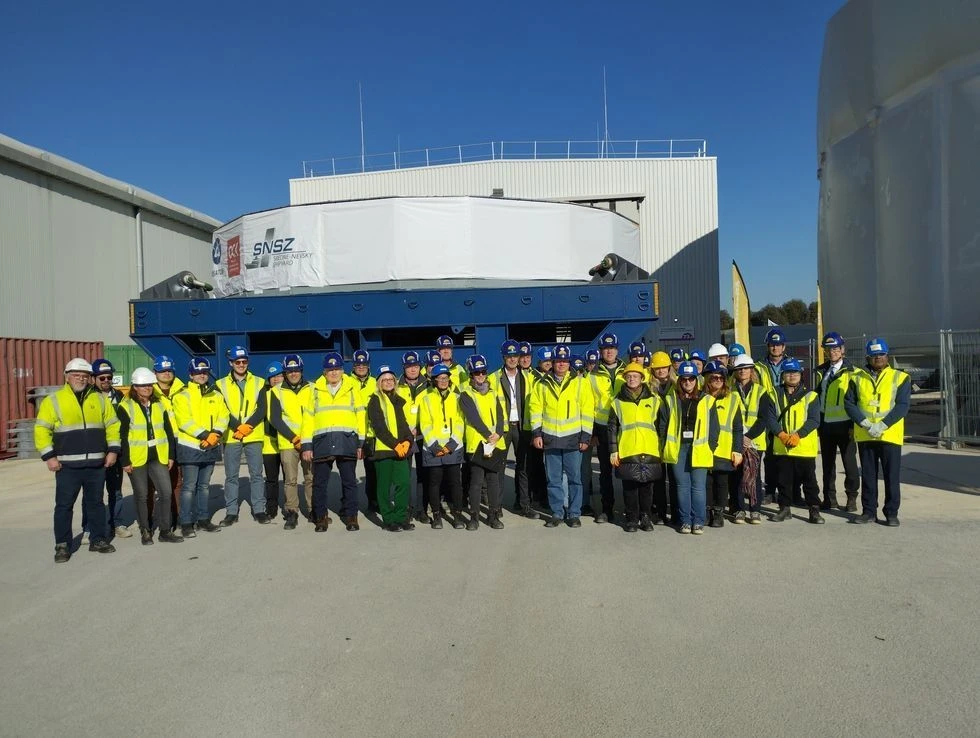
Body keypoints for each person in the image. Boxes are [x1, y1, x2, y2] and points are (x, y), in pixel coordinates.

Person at [35, 358, 122, 562]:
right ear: (67, 377)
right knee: (64, 506)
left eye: (84, 376)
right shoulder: (53, 401)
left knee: (96, 504)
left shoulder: (99, 399)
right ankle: (62, 545)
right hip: (66, 466)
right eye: (76, 375)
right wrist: (49, 457)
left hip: (96, 464)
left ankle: (98, 539)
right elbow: (41, 429)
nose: (81, 379)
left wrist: (113, 451)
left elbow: (112, 425)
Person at [844, 337, 910, 526]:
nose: (878, 358)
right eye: (874, 355)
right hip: (866, 435)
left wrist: (882, 426)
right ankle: (869, 512)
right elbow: (849, 403)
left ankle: (891, 513)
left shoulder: (900, 377)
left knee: (891, 476)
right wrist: (865, 424)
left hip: (889, 435)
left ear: (887, 356)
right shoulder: (856, 378)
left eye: (881, 354)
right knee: (868, 476)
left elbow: (902, 406)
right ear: (867, 357)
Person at [530, 344, 595, 528]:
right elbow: (535, 409)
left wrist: (586, 437)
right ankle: (557, 513)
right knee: (553, 480)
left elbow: (587, 410)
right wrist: (536, 434)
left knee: (575, 479)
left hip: (573, 439)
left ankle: (574, 514)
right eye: (558, 361)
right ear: (552, 363)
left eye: (565, 361)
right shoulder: (542, 384)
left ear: (569, 363)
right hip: (550, 438)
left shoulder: (580, 382)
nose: (561, 364)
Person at [302, 352, 366, 532]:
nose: (334, 373)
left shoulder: (352, 388)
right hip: (322, 442)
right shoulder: (315, 390)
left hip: (347, 441)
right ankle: (321, 518)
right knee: (319, 483)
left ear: (342, 370)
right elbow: (308, 418)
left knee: (349, 482)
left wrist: (361, 443)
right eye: (330, 370)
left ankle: (351, 517)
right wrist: (306, 446)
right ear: (324, 372)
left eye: (337, 369)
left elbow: (361, 415)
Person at [117, 368, 182, 545]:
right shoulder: (125, 406)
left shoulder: (159, 404)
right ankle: (145, 530)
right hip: (137, 458)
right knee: (142, 495)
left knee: (166, 492)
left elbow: (168, 431)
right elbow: (122, 436)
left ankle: (165, 530)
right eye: (143, 385)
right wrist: (125, 460)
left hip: (158, 456)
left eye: (149, 385)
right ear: (135, 387)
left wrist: (171, 455)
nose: (147, 388)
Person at [170, 357, 227, 538]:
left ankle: (203, 519)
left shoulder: (216, 395)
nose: (202, 375)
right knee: (189, 487)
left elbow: (224, 416)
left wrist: (216, 433)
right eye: (198, 372)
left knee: (204, 486)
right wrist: (205, 435)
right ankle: (186, 522)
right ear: (190, 375)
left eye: (205, 372)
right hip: (190, 447)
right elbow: (184, 421)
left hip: (211, 445)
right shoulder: (181, 395)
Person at [764, 358, 824, 524]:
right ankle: (784, 509)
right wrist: (781, 435)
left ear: (800, 374)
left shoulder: (811, 395)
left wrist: (798, 435)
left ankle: (814, 510)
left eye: (795, 372)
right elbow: (770, 418)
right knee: (784, 481)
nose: (792, 376)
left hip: (804, 447)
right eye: (788, 373)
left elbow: (814, 420)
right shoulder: (773, 394)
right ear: (783, 375)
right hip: (782, 446)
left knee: (810, 482)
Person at [608, 362, 665, 532]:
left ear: (642, 378)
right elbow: (612, 427)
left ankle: (645, 517)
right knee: (630, 487)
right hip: (628, 449)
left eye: (635, 376)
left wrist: (663, 448)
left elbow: (661, 426)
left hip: (650, 449)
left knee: (647, 487)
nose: (632, 379)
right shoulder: (617, 402)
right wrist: (613, 450)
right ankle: (632, 519)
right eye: (629, 376)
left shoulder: (654, 400)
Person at [216, 345, 269, 526]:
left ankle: (259, 510)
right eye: (237, 362)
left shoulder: (259, 382)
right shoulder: (220, 385)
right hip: (232, 436)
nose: (241, 364)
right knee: (231, 476)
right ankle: (231, 512)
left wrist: (247, 427)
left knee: (257, 475)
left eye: (244, 361)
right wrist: (238, 427)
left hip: (253, 435)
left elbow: (262, 408)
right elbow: (222, 410)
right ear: (231, 363)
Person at [661, 361, 712, 535]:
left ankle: (698, 521)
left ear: (696, 380)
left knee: (698, 487)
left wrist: (710, 446)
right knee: (682, 486)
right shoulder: (670, 399)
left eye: (691, 379)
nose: (688, 382)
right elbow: (663, 424)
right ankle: (685, 521)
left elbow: (714, 428)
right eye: (684, 379)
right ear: (679, 380)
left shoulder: (707, 400)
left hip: (700, 447)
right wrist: (664, 445)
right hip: (679, 447)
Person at [459, 354, 507, 530]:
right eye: (476, 372)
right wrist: (488, 435)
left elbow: (501, 415)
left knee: (493, 480)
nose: (480, 375)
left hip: (494, 442)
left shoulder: (493, 393)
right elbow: (473, 418)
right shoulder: (466, 394)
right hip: (478, 444)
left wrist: (499, 433)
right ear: (470, 375)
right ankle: (474, 517)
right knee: (476, 482)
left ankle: (493, 515)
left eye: (483, 372)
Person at [366, 364, 416, 532]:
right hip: (383, 451)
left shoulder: (398, 400)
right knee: (384, 487)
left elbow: (404, 425)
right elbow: (379, 427)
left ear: (395, 382)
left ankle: (401, 517)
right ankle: (389, 520)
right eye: (384, 380)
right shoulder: (375, 400)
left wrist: (408, 441)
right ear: (379, 383)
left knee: (404, 483)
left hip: (400, 450)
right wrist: (395, 445)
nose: (388, 382)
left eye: (391, 379)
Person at [268, 354, 315, 530]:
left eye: (296, 370)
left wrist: (308, 439)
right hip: (288, 443)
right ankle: (292, 513)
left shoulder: (313, 388)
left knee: (311, 478)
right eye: (290, 371)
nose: (293, 374)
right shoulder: (276, 391)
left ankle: (313, 510)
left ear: (301, 371)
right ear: (285, 373)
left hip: (309, 441)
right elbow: (275, 418)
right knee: (290, 480)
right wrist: (294, 438)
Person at [814, 332, 860, 511]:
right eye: (828, 349)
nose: (832, 352)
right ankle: (829, 498)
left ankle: (851, 498)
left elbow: (857, 401)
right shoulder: (821, 371)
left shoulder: (853, 372)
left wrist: (855, 425)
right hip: (826, 425)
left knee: (849, 464)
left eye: (835, 349)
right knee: (827, 465)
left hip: (845, 425)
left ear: (842, 350)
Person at [492, 340, 538, 519]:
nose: (512, 359)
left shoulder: (528, 377)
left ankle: (524, 504)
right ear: (503, 357)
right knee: (499, 468)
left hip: (522, 427)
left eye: (515, 356)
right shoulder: (494, 378)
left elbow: (535, 404)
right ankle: (496, 507)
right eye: (509, 356)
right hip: (503, 429)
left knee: (524, 467)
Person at [417, 364, 466, 529]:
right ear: (434, 380)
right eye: (440, 378)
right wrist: (434, 445)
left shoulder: (457, 398)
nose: (443, 381)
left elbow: (460, 421)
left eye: (446, 378)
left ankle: (457, 515)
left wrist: (453, 443)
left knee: (455, 483)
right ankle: (437, 515)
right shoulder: (426, 399)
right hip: (434, 449)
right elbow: (425, 424)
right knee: (434, 483)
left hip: (453, 447)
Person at [588, 332, 626, 523]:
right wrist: (593, 432)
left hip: (624, 427)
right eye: (605, 348)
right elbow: (588, 405)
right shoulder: (592, 375)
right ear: (600, 351)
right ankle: (606, 509)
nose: (609, 351)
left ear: (617, 350)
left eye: (612, 348)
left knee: (627, 470)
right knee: (605, 471)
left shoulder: (627, 370)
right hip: (602, 428)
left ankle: (630, 510)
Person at [89, 359, 129, 540]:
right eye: (102, 378)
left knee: (116, 492)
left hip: (115, 451)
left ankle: (117, 524)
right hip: (95, 452)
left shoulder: (120, 397)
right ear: (93, 378)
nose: (106, 381)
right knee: (93, 494)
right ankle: (89, 528)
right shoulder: (88, 397)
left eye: (109, 377)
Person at [730, 354, 773, 524]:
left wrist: (748, 437)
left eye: (746, 368)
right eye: (739, 369)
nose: (743, 371)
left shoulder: (761, 391)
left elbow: (763, 418)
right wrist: (740, 437)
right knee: (737, 475)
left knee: (754, 476)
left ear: (751, 370)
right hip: (736, 439)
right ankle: (739, 509)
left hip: (754, 440)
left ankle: (755, 510)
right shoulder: (730, 391)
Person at [702, 361, 744, 528]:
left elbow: (738, 428)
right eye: (714, 377)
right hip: (703, 448)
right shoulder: (700, 397)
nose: (718, 380)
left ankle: (718, 512)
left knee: (721, 483)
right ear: (707, 379)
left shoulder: (732, 399)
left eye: (721, 377)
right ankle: (707, 511)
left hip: (724, 449)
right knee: (706, 483)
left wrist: (737, 450)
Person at [396, 351, 431, 523]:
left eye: (415, 366)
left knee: (423, 475)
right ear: (404, 368)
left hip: (424, 436)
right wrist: (406, 430)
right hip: (404, 437)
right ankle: (406, 509)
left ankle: (421, 510)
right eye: (409, 366)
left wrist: (420, 428)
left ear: (420, 367)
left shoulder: (429, 385)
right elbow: (394, 412)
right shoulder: (396, 386)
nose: (412, 369)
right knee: (404, 475)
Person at [754, 328, 788, 504]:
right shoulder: (759, 366)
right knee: (768, 457)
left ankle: (789, 491)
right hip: (766, 414)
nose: (775, 348)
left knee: (786, 457)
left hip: (786, 414)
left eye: (778, 345)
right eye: (772, 345)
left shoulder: (791, 364)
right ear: (768, 346)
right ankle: (769, 491)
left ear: (784, 346)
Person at [151, 355, 183, 532]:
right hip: (159, 442)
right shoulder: (149, 391)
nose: (166, 373)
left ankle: (177, 516)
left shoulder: (182, 389)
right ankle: (153, 519)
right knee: (157, 484)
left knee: (177, 482)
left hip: (180, 440)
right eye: (162, 371)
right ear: (155, 373)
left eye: (169, 370)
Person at [351, 350, 380, 514]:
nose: (361, 367)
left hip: (370, 434)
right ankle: (347, 504)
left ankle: (373, 502)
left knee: (372, 472)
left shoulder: (376, 383)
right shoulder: (346, 382)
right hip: (351, 434)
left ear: (369, 366)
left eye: (364, 364)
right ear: (353, 366)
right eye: (358, 364)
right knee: (348, 473)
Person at [647, 350, 674, 524]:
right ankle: (660, 511)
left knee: (675, 477)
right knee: (657, 477)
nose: (661, 370)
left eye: (664, 367)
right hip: (655, 437)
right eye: (658, 368)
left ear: (669, 368)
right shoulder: (648, 389)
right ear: (652, 370)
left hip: (673, 437)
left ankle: (676, 511)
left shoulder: (677, 386)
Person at [261, 361, 286, 521]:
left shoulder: (287, 394)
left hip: (286, 441)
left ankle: (290, 507)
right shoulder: (263, 395)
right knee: (271, 479)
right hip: (269, 443)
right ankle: (271, 508)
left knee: (289, 479)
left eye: (279, 375)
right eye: (272, 377)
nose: (276, 379)